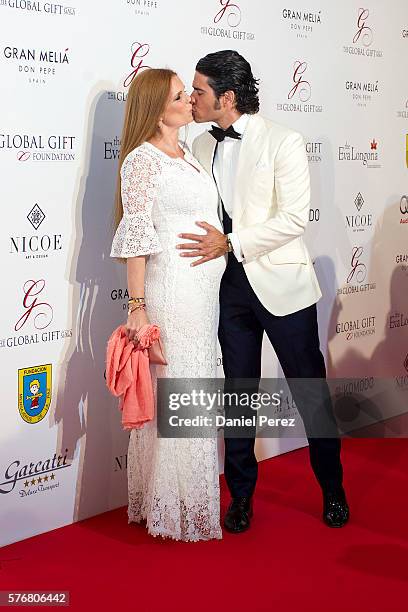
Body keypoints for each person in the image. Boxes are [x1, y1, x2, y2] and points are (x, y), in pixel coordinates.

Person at [177, 50, 349, 532]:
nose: (193, 98)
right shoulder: (200, 146)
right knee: (238, 395)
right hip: (228, 286)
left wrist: (232, 242)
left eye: (200, 91)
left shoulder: (284, 141)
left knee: (310, 392)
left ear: (227, 97)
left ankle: (333, 489)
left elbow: (293, 219)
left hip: (282, 285)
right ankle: (241, 498)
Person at [110, 68, 225, 541]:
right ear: (159, 107)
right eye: (181, 95)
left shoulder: (191, 156)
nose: (190, 100)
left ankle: (187, 500)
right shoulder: (142, 161)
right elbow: (136, 236)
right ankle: (171, 506)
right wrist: (136, 307)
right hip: (172, 292)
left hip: (204, 295)